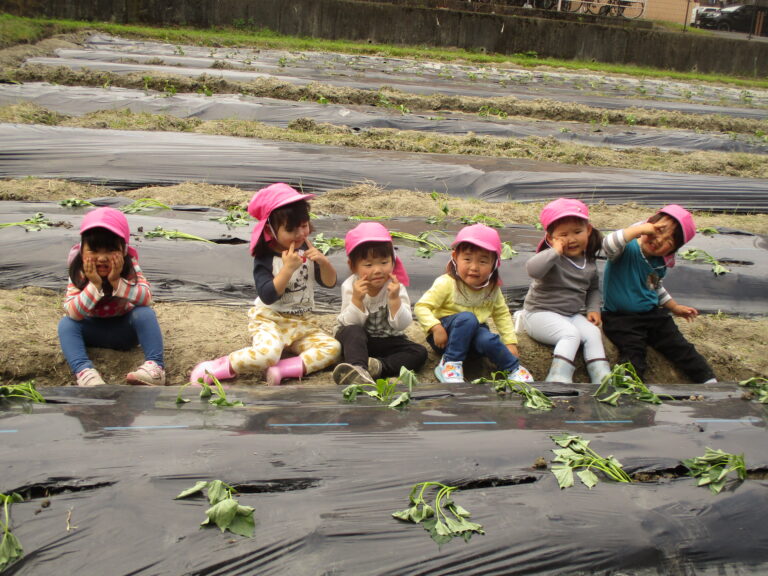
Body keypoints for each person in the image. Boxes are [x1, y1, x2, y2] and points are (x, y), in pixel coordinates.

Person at [190, 183, 341, 385]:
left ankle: (284, 369)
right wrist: (287, 269)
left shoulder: (307, 248)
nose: (300, 234)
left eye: (304, 225)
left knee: (333, 348)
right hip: (270, 319)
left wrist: (324, 262)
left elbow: (330, 283)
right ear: (270, 229)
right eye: (291, 229)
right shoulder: (265, 258)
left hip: (300, 323)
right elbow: (267, 295)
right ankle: (217, 368)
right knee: (267, 354)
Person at [601, 204, 717, 384]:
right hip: (621, 317)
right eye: (657, 231)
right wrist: (638, 229)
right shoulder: (625, 249)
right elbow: (606, 244)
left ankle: (706, 379)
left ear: (672, 250)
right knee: (633, 349)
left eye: (669, 241)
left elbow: (655, 287)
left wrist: (674, 307)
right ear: (648, 226)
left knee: (678, 345)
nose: (659, 240)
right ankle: (628, 383)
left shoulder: (659, 262)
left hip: (652, 315)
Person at [58, 207, 165, 386]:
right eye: (93, 250)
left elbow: (146, 298)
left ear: (123, 250)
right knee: (66, 324)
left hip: (124, 332)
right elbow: (74, 312)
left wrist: (117, 282)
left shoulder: (129, 267)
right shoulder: (79, 271)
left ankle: (155, 368)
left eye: (110, 250)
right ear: (82, 250)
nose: (101, 258)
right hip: (90, 331)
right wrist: (95, 285)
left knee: (144, 313)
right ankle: (85, 372)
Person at [414, 223, 533, 383]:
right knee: (467, 319)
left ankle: (512, 368)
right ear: (455, 257)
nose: (474, 267)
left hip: (473, 340)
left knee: (488, 339)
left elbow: (502, 315)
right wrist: (435, 327)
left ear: (494, 264)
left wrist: (510, 343)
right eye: (467, 259)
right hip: (445, 337)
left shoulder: (492, 289)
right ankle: (449, 364)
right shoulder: (447, 283)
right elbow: (422, 307)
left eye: (483, 262)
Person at [517, 198, 611, 384]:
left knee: (593, 333)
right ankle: (558, 376)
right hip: (539, 314)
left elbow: (592, 289)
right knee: (571, 334)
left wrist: (593, 309)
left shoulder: (589, 261)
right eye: (563, 235)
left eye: (578, 232)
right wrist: (555, 252)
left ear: (588, 230)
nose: (572, 239)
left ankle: (601, 375)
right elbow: (532, 270)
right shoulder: (551, 258)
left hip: (570, 314)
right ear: (551, 238)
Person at [333, 222, 428, 386]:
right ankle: (358, 368)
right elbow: (349, 323)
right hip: (358, 341)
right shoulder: (350, 286)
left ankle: (378, 367)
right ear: (352, 266)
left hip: (387, 340)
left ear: (393, 261)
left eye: (384, 262)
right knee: (352, 332)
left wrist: (394, 300)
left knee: (419, 352)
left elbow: (402, 326)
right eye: (368, 265)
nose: (377, 270)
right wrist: (357, 300)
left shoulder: (395, 287)